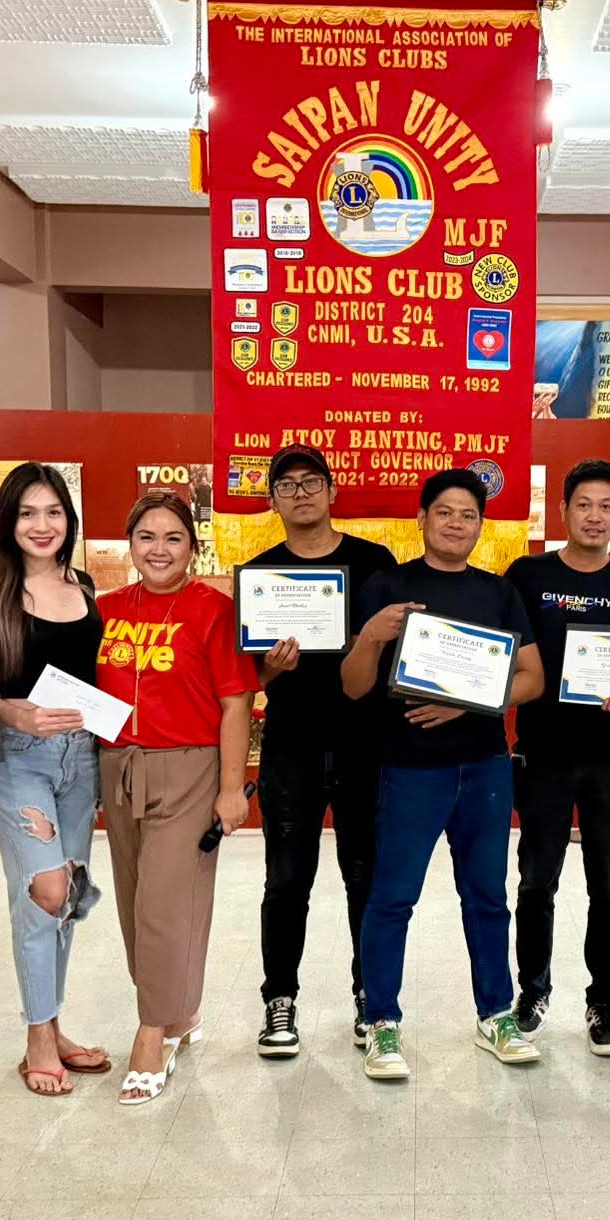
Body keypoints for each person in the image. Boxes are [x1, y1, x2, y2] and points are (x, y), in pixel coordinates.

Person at [343, 467, 545, 1080]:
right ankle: (381, 1021)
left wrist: (468, 699)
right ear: (423, 520)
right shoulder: (388, 585)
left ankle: (495, 1014)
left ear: (480, 527)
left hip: (483, 766)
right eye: (445, 513)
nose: (457, 524)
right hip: (408, 768)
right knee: (392, 898)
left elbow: (531, 679)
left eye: (468, 516)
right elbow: (353, 687)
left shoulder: (498, 592)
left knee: (487, 897)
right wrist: (373, 638)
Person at [95, 489, 258, 1105]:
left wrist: (228, 788)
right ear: (130, 545)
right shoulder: (105, 609)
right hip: (120, 768)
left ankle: (149, 1032)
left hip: (188, 768)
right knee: (137, 901)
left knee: (166, 901)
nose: (158, 549)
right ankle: (178, 1011)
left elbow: (235, 702)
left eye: (173, 538)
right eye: (146, 537)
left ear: (192, 547)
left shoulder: (211, 612)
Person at [0, 463, 108, 1097]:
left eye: (53, 513)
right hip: (17, 758)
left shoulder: (87, 585)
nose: (42, 526)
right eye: (27, 514)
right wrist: (4, 707)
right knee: (43, 890)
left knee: (67, 897)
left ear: (68, 520)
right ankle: (37, 1039)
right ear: (7, 523)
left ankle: (53, 1024)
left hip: (83, 757)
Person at [505, 459, 610, 1056]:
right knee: (536, 882)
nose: (595, 516)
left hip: (608, 756)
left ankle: (604, 1001)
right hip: (542, 753)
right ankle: (534, 990)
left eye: (607, 506)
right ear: (564, 510)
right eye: (584, 504)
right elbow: (508, 656)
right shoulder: (526, 576)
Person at [244, 445, 396, 1058]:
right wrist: (271, 669)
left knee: (366, 879)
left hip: (365, 744)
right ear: (273, 500)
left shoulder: (374, 564)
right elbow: (249, 676)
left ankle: (369, 996)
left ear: (332, 492)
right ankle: (279, 1001)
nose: (301, 493)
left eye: (311, 482)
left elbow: (399, 655)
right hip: (292, 747)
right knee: (286, 881)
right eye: (287, 485)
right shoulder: (260, 573)